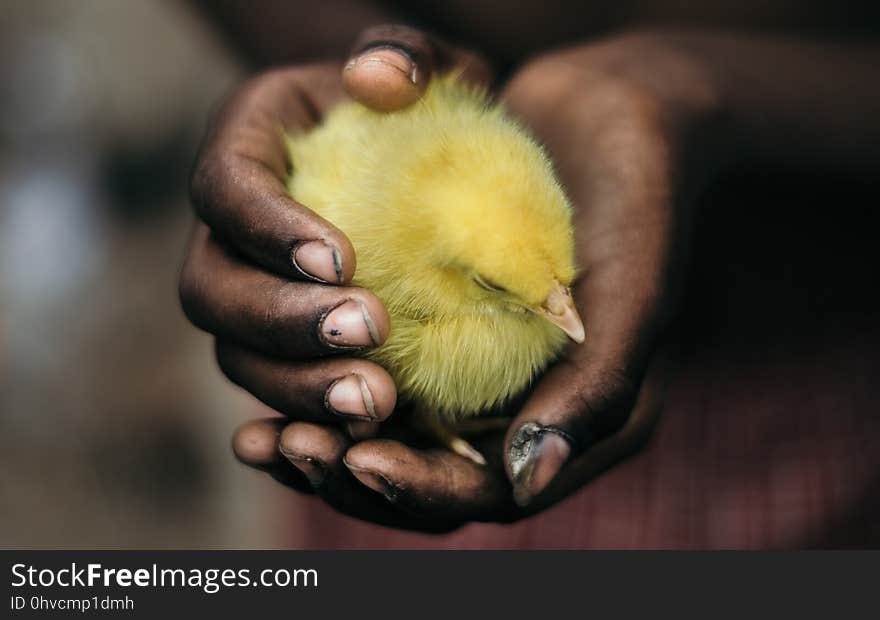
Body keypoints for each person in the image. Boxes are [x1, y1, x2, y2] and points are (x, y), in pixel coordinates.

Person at [179, 1, 880, 546]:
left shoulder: (500, 228)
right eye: (509, 288)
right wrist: (350, 54)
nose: (563, 308)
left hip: (825, 380)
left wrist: (696, 90)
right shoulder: (398, 282)